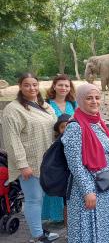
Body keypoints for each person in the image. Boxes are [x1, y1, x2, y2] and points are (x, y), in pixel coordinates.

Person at [61, 83, 109, 243]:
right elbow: (75, 164)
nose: (94, 101)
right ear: (80, 100)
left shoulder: (97, 122)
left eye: (97, 97)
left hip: (104, 186)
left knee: (105, 228)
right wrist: (88, 191)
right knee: (88, 231)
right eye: (89, 98)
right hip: (88, 190)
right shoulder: (75, 127)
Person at [2, 73, 59, 243]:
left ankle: (40, 229)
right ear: (20, 87)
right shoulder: (13, 110)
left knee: (40, 197)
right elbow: (12, 141)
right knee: (33, 199)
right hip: (29, 163)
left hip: (46, 161)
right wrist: (22, 165)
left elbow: (54, 128)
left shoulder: (44, 106)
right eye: (27, 85)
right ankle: (37, 236)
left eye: (34, 84)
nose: (32, 88)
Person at [43, 74, 77, 224]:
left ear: (70, 88)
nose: (63, 88)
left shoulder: (73, 104)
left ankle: (70, 215)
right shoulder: (45, 105)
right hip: (54, 147)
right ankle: (56, 215)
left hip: (70, 148)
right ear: (54, 86)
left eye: (67, 85)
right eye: (60, 85)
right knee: (56, 179)